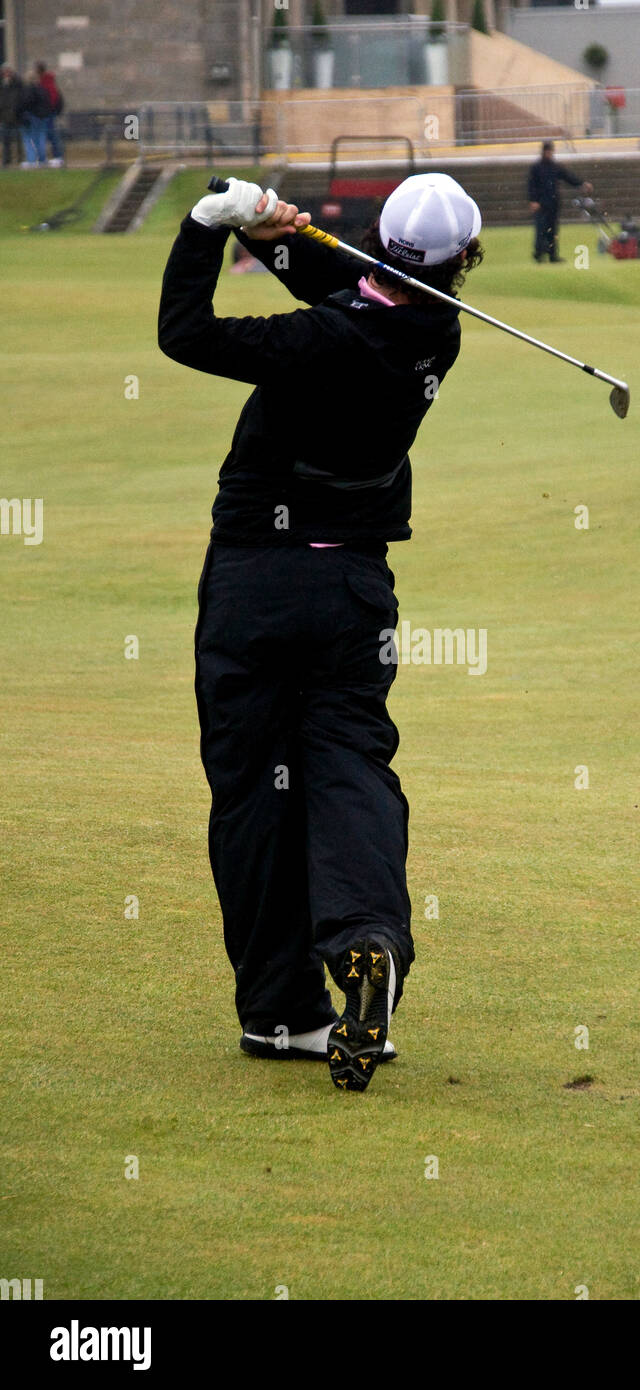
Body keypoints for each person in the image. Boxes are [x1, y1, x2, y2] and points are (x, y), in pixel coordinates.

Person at [158, 174, 483, 1093]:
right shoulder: (436, 332)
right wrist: (267, 233)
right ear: (463, 261)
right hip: (352, 592)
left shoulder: (315, 340)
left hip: (256, 583)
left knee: (253, 789)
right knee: (348, 768)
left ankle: (282, 1012)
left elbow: (184, 334)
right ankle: (366, 940)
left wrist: (203, 229)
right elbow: (352, 290)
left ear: (381, 239)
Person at [527, 139, 592, 263]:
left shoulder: (555, 167)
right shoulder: (536, 168)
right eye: (547, 151)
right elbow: (531, 185)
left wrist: (582, 183)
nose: (549, 153)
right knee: (540, 230)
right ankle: (538, 254)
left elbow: (569, 177)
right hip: (541, 204)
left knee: (553, 230)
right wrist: (533, 201)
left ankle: (552, 255)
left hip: (553, 203)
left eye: (550, 151)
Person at [18, 69, 51, 168]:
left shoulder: (28, 89)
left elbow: (25, 103)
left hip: (31, 117)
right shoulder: (42, 89)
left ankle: (32, 160)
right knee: (41, 138)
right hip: (42, 117)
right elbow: (47, 103)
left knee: (29, 139)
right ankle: (42, 159)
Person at [36, 61, 65, 167]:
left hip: (48, 114)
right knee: (48, 135)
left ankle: (57, 157)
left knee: (51, 135)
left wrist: (47, 110)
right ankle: (52, 157)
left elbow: (52, 99)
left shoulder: (46, 82)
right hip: (47, 113)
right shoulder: (48, 81)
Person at [0, 64, 23, 168]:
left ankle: (20, 158)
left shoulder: (18, 83)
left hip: (16, 116)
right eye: (4, 72)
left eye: (8, 71)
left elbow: (19, 98)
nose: (6, 74)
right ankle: (6, 160)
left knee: (19, 139)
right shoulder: (2, 84)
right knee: (6, 140)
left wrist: (17, 110)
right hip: (4, 116)